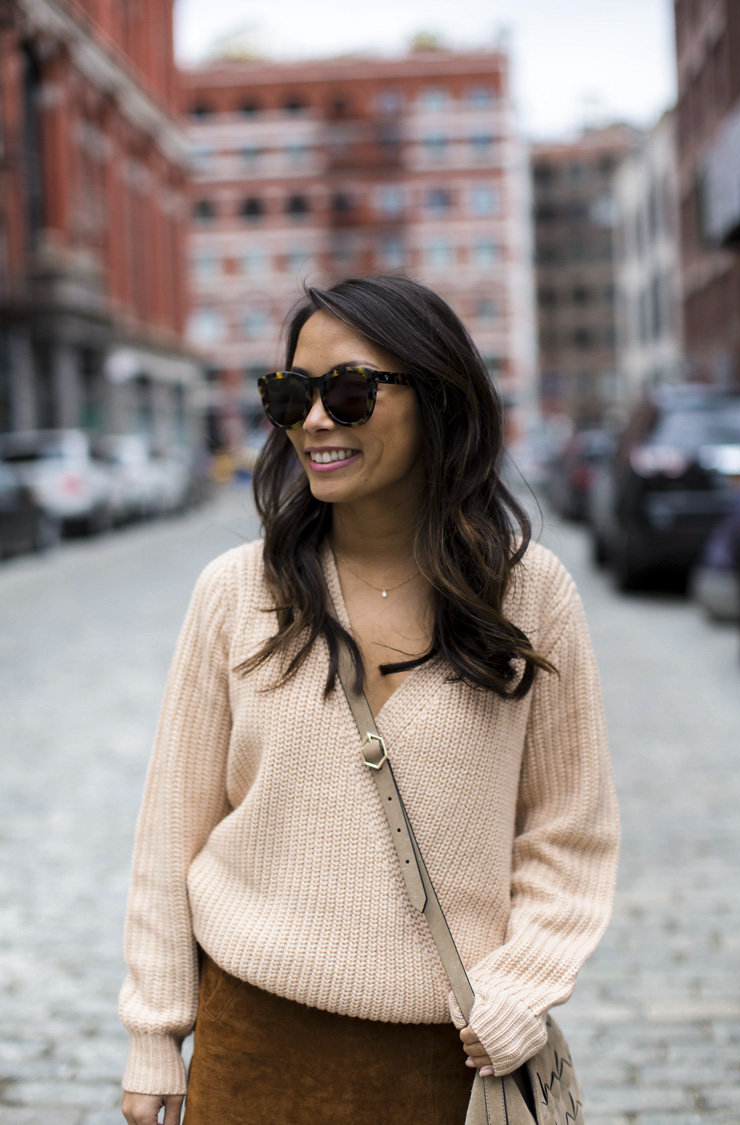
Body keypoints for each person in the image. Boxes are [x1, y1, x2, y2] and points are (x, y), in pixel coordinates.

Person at [119, 275, 619, 1125]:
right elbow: (172, 828)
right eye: (291, 394)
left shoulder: (528, 597)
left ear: (436, 398)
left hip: (452, 1061)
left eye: (348, 393)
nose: (315, 421)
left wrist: (524, 983)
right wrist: (154, 1032)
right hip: (252, 1050)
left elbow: (569, 832)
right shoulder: (237, 594)